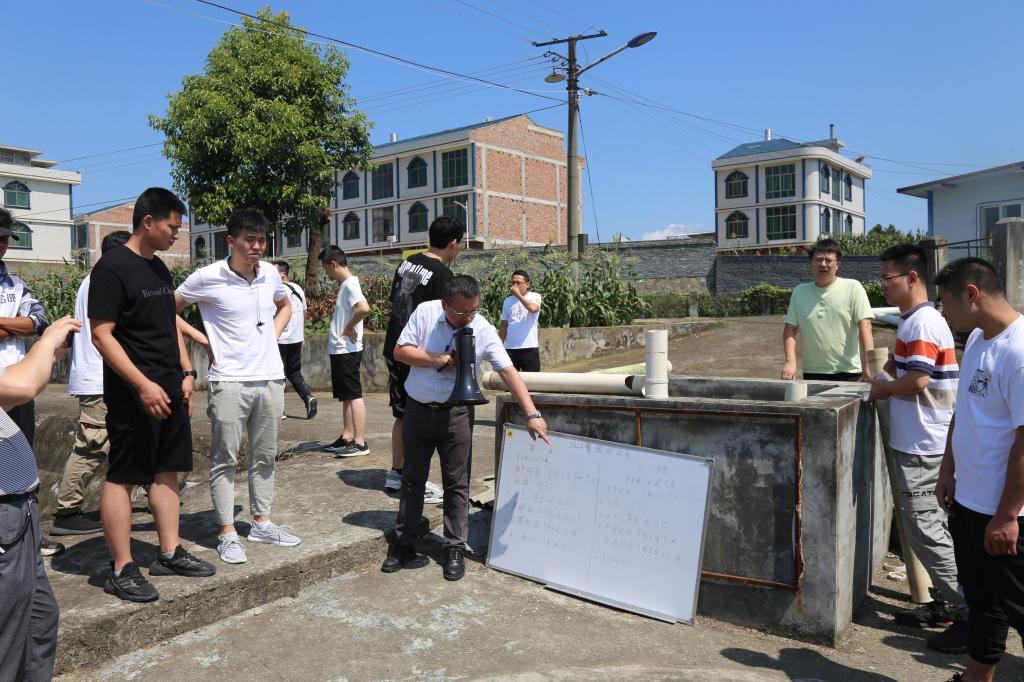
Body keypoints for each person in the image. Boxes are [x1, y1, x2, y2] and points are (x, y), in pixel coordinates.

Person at [89, 188, 215, 603]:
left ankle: (169, 551)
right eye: (172, 226)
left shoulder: (159, 268)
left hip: (170, 388)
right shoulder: (112, 268)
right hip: (133, 394)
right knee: (124, 475)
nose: (177, 234)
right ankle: (121, 568)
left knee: (167, 469)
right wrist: (141, 384)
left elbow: (168, 325)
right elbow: (101, 335)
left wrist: (186, 373)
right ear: (148, 222)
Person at [384, 274, 549, 581]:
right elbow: (400, 351)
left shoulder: (482, 327)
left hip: (456, 413)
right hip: (418, 409)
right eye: (461, 312)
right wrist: (437, 359)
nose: (467, 318)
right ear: (444, 304)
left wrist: (532, 413)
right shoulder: (425, 313)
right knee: (412, 479)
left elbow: (508, 371)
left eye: (473, 310)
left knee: (457, 482)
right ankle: (405, 542)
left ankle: (454, 547)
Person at [51, 231, 210, 538]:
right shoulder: (109, 277)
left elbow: (163, 316)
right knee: (94, 447)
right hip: (102, 378)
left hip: (121, 376)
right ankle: (67, 510)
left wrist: (188, 362)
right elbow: (108, 333)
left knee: (139, 447)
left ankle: (155, 497)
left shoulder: (118, 275)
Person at [176, 208, 297, 565]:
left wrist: (272, 336)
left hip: (270, 378)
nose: (257, 247)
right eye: (249, 240)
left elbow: (285, 305)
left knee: (265, 455)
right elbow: (168, 309)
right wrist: (203, 340)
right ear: (231, 241)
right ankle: (227, 532)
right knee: (225, 459)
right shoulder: (207, 277)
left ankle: (261, 522)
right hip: (228, 381)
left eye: (262, 240)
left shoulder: (271, 273)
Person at [867, 244, 967, 652]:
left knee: (925, 530)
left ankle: (969, 613)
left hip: (925, 443)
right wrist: (878, 377)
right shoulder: (912, 321)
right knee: (931, 527)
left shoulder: (922, 322)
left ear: (912, 278)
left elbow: (919, 379)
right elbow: (900, 364)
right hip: (921, 439)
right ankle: (947, 605)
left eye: (887, 278)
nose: (883, 285)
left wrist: (883, 390)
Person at [934, 258, 1024, 682]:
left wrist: (1007, 515)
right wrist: (947, 468)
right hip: (968, 501)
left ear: (971, 294)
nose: (943, 313)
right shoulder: (975, 339)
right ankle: (976, 677)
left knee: (1018, 606)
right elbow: (963, 411)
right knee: (982, 600)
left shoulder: (1019, 351)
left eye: (945, 303)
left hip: (1003, 513)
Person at [0, 314, 80, 682]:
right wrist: (46, 340)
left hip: (20, 515)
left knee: (39, 622)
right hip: (6, 518)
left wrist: (46, 355)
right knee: (8, 640)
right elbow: (22, 386)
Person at [379, 216, 464, 500]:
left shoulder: (407, 262)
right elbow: (444, 320)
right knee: (418, 417)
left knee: (401, 413)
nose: (459, 249)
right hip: (416, 352)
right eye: (460, 244)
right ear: (453, 242)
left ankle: (397, 473)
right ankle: (412, 479)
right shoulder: (443, 276)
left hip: (394, 346)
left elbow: (395, 303)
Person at [782, 238, 875, 381]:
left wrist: (869, 363)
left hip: (849, 371)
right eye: (818, 260)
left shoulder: (853, 287)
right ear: (811, 263)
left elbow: (865, 326)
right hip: (812, 372)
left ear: (837, 264)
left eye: (828, 260)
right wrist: (790, 361)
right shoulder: (799, 292)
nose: (823, 264)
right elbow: (789, 330)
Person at [319, 246, 371, 457]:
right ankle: (347, 436)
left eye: (325, 268)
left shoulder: (350, 284)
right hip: (342, 350)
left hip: (346, 350)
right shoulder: (346, 285)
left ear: (333, 264)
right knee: (346, 396)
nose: (326, 273)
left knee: (354, 395)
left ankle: (360, 442)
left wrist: (349, 328)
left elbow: (364, 308)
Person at [273, 260, 316, 420]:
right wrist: (301, 334)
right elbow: (304, 312)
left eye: (274, 271)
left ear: (282, 274)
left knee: (278, 374)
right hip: (296, 339)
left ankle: (280, 410)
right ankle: (308, 397)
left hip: (280, 339)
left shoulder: (278, 291)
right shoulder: (298, 288)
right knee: (294, 372)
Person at [499, 269, 542, 372]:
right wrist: (499, 345)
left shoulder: (535, 296)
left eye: (518, 283)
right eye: (513, 282)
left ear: (527, 284)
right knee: (510, 380)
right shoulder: (507, 301)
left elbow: (533, 309)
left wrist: (518, 295)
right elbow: (504, 324)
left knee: (532, 379)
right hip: (510, 348)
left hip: (529, 348)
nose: (515, 285)